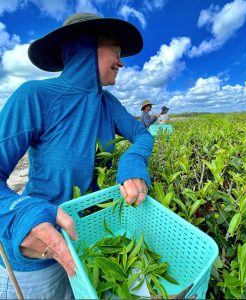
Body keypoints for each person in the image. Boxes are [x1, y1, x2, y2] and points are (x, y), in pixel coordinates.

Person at [0, 12, 154, 299]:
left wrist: (132, 162)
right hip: (36, 254)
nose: (121, 62)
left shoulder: (107, 103)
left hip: (90, 241)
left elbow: (142, 135)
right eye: (116, 52)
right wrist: (20, 216)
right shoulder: (35, 95)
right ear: (84, 47)